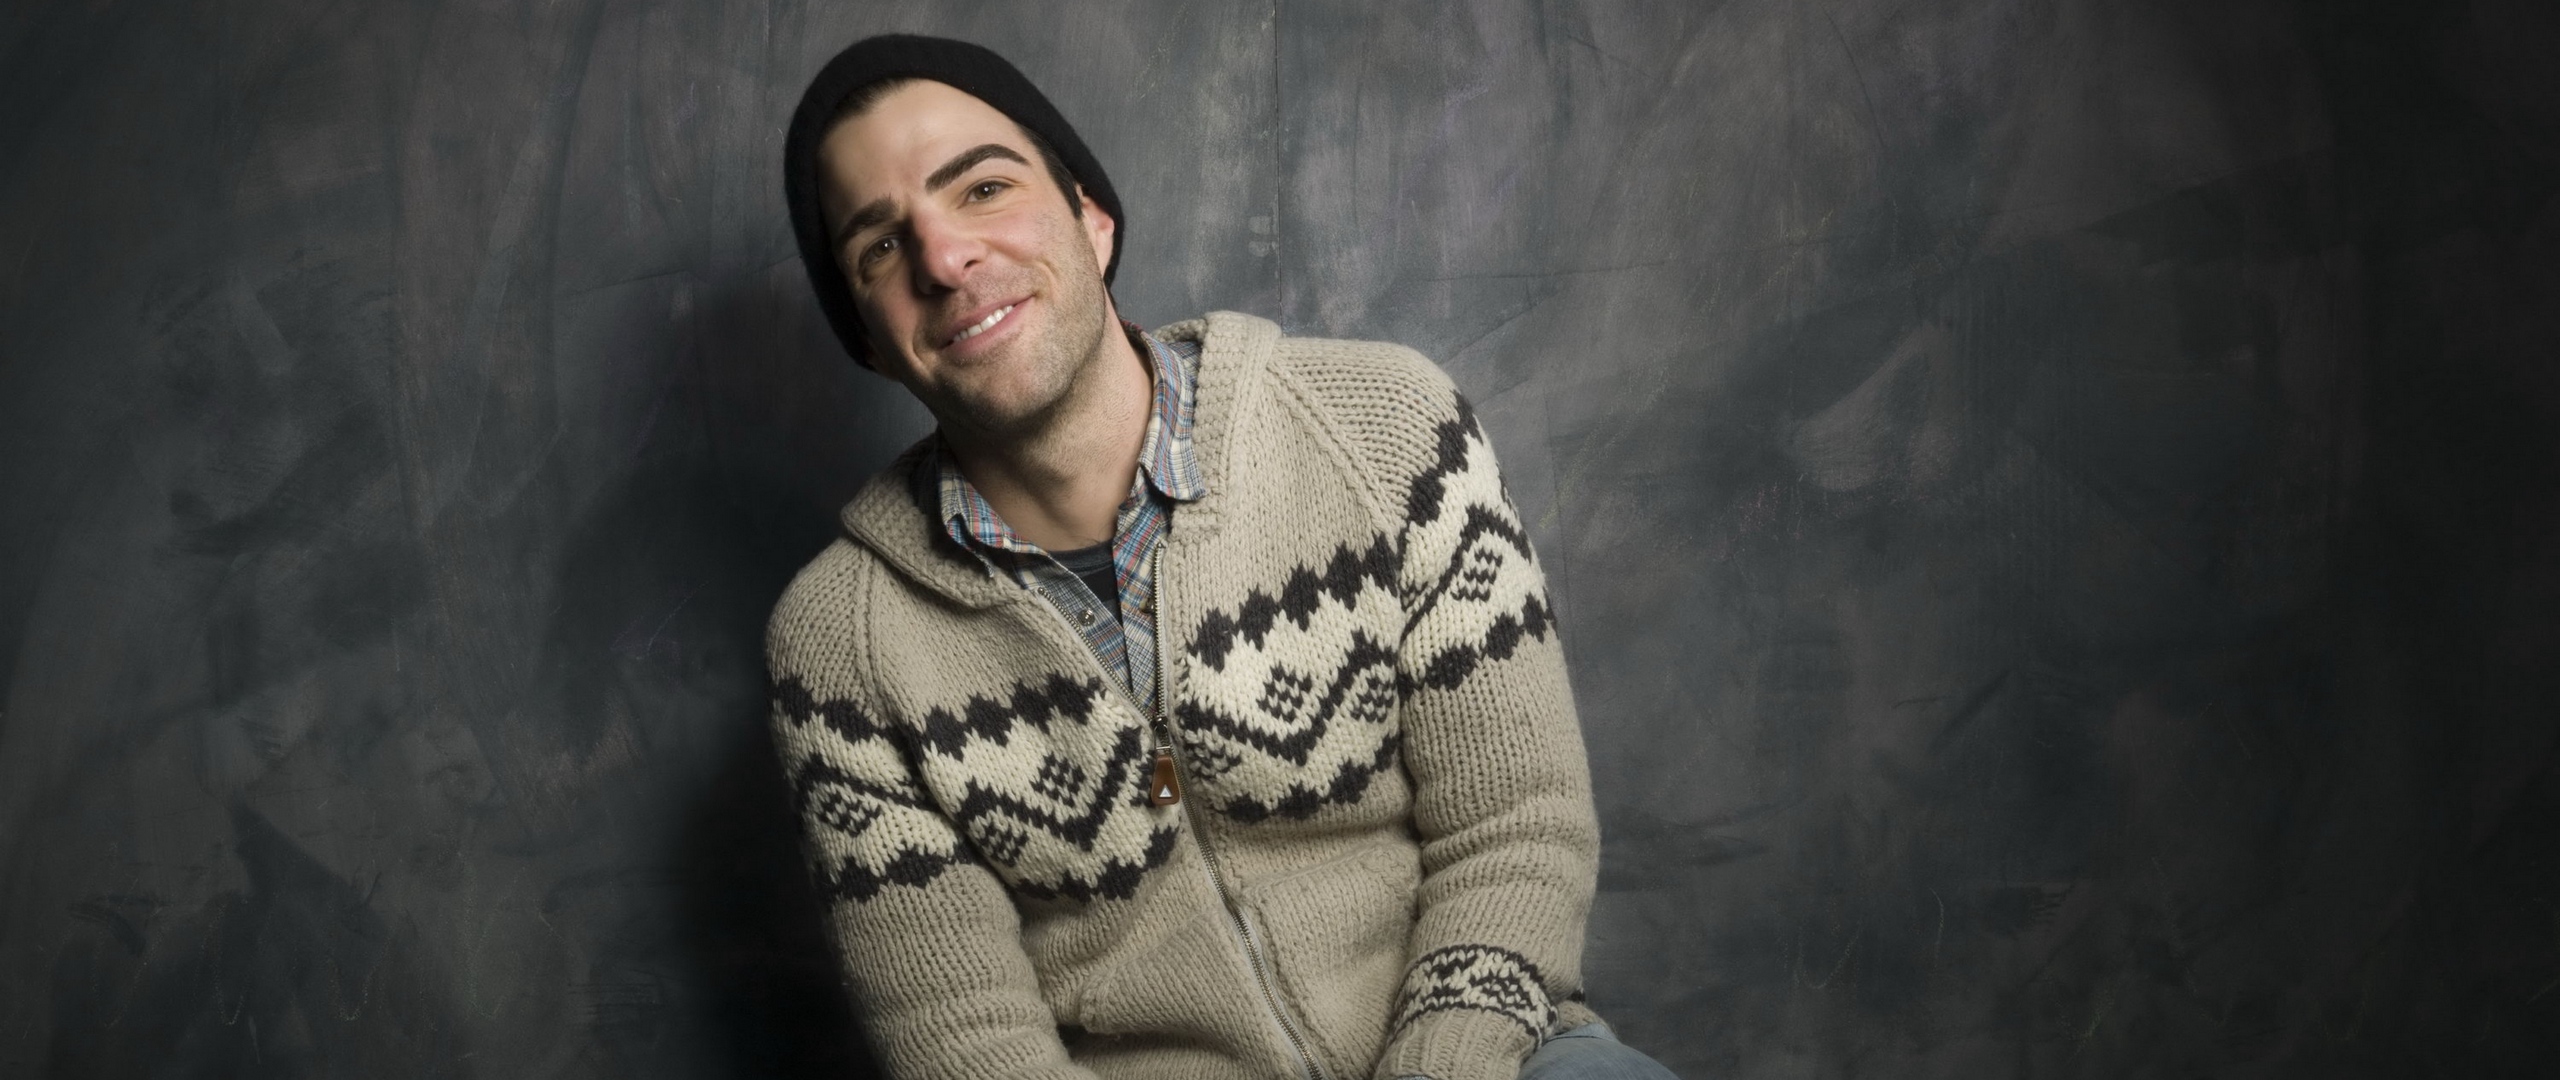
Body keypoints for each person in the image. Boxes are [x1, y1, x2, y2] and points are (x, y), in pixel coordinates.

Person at [765, 34, 1677, 1080]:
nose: (942, 259)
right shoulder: (840, 645)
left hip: (1487, 1053)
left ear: (1092, 218)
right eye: (881, 247)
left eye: (982, 188)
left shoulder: (1386, 431)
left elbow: (1516, 829)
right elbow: (965, 1037)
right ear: (867, 339)